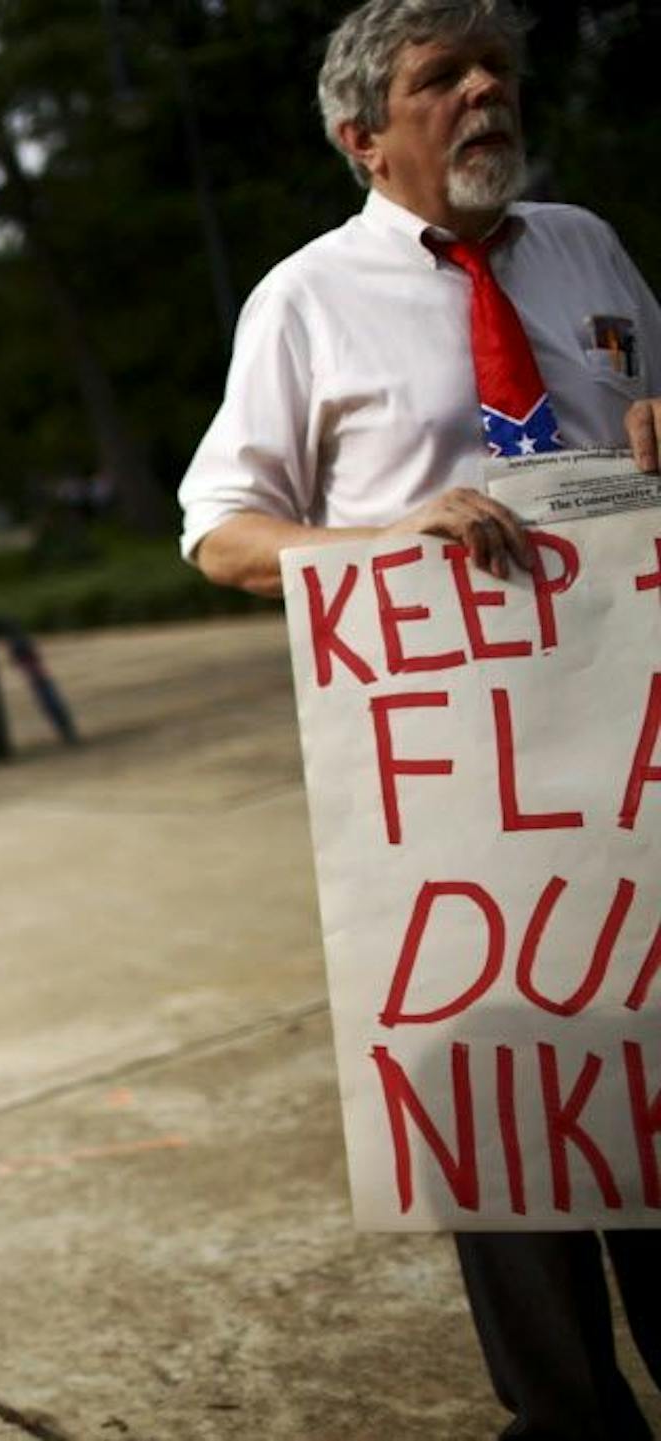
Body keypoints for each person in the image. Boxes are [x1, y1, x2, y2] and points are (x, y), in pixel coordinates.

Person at [178, 2, 660, 1436]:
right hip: (457, 789)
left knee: (649, 1069)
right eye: (439, 79)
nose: (483, 93)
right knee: (515, 1111)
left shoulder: (588, 248)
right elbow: (219, 532)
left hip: (625, 754)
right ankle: (569, 1415)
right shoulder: (304, 301)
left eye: (493, 70)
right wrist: (385, 543)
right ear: (362, 136)